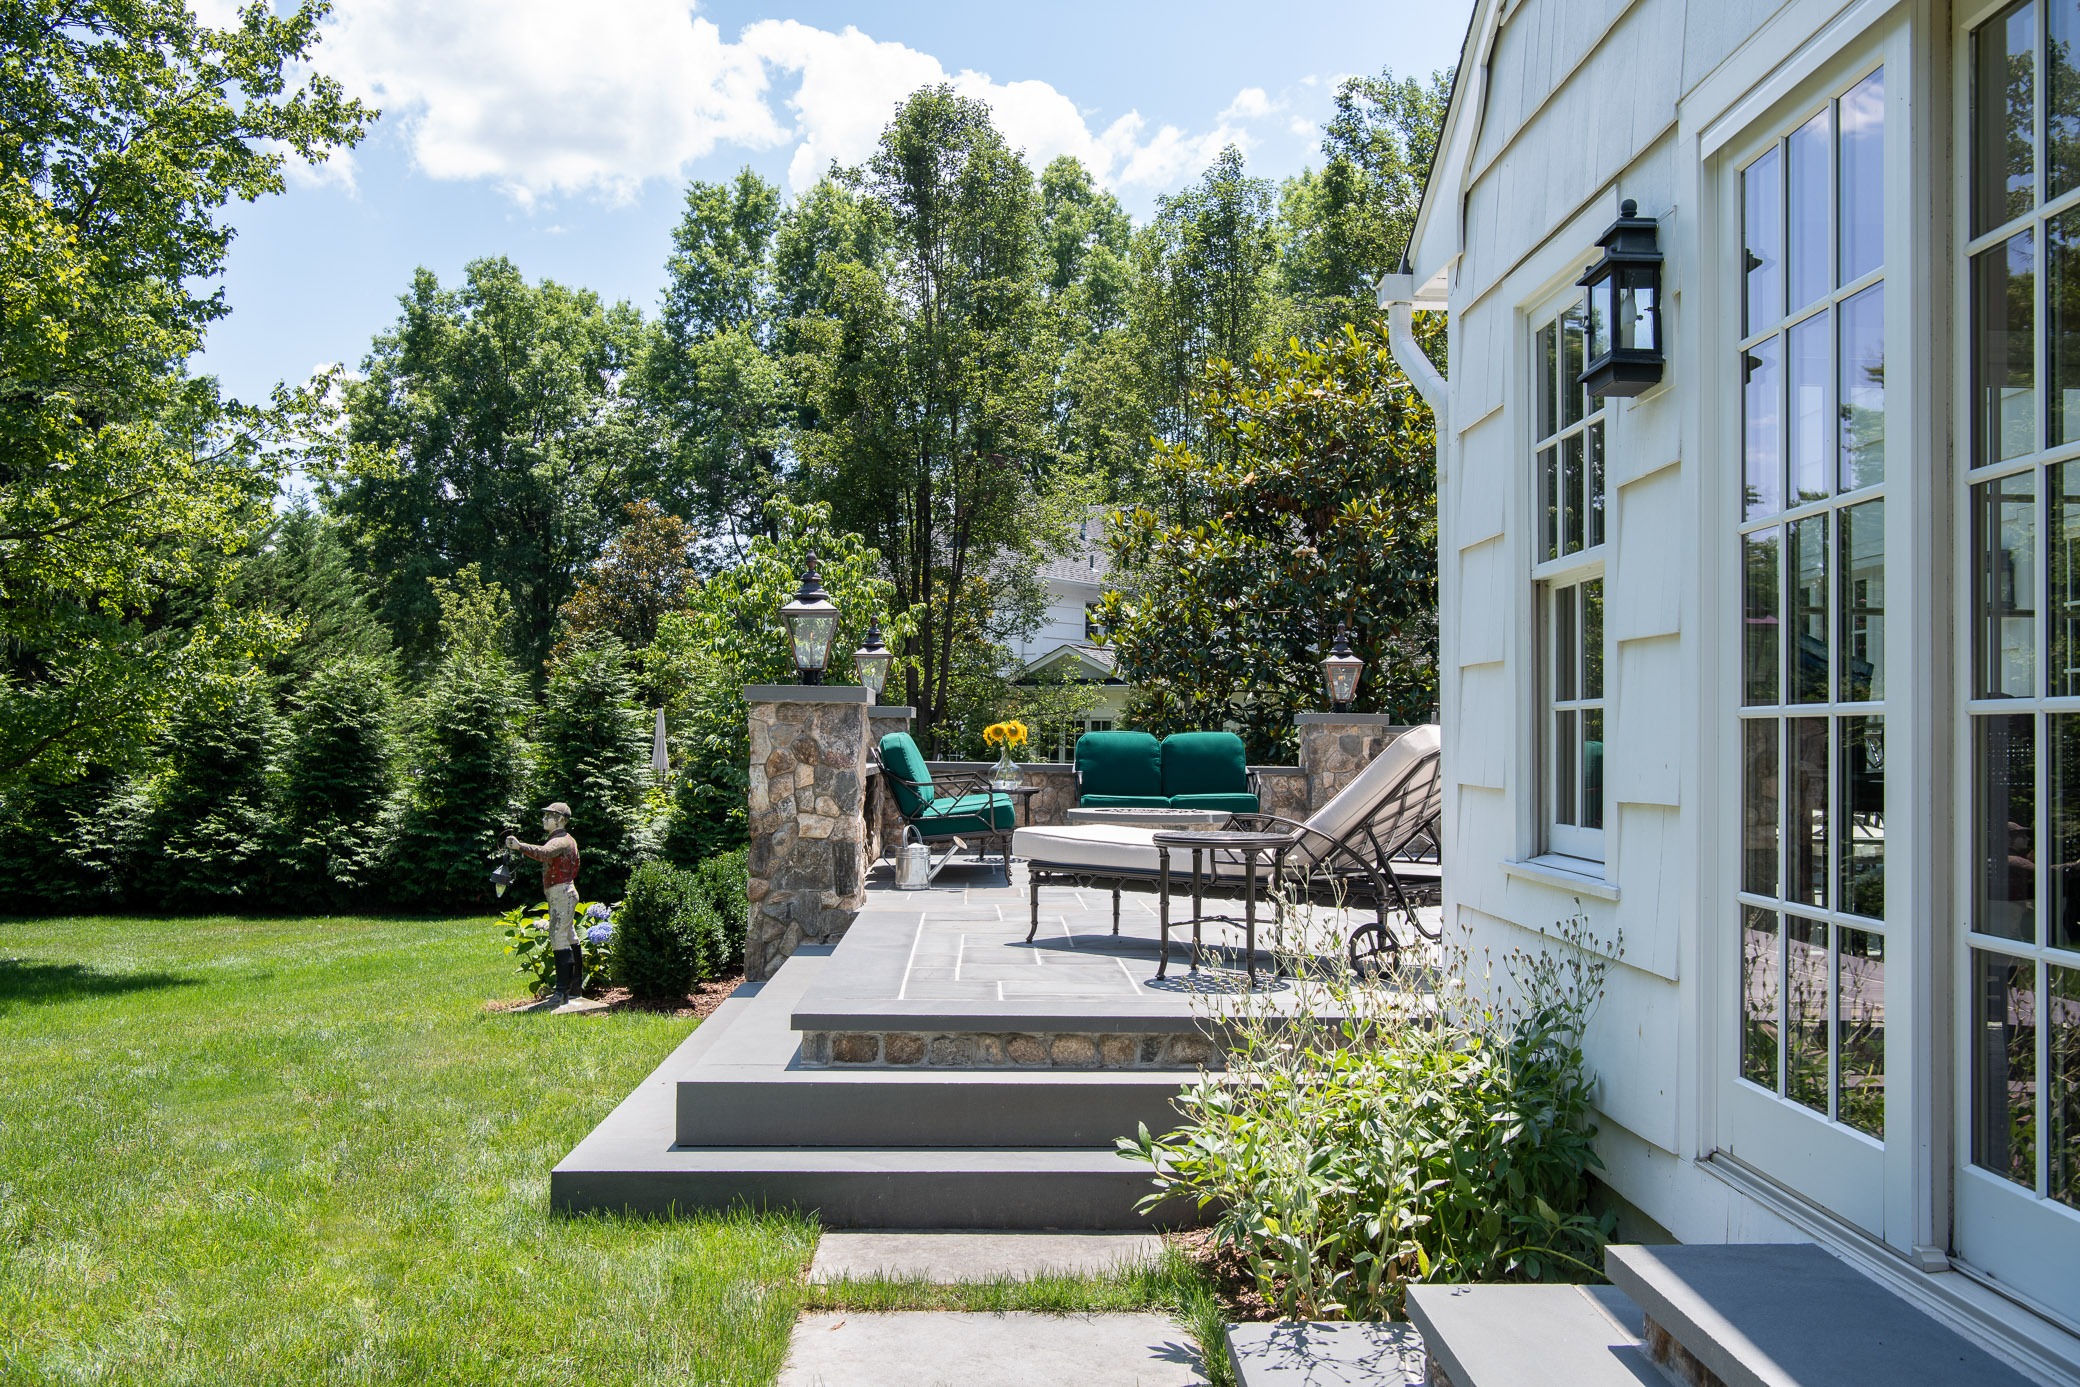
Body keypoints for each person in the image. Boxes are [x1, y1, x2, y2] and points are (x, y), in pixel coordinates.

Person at [508, 802, 582, 1002]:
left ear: (560, 820)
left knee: (558, 935)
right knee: (569, 935)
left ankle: (561, 992)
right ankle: (575, 988)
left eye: (549, 816)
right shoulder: (566, 840)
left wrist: (520, 846)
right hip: (562, 892)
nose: (544, 819)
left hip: (561, 892)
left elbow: (544, 853)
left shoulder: (560, 840)